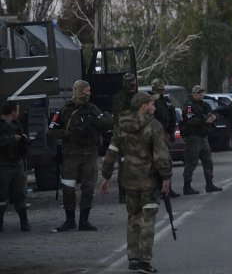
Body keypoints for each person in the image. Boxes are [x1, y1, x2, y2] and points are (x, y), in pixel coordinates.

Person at [100, 92, 171, 274]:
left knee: (133, 218)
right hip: (148, 181)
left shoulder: (121, 126)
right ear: (143, 106)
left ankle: (133, 258)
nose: (154, 107)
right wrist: (166, 177)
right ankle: (145, 262)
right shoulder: (154, 125)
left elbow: (111, 152)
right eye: (151, 104)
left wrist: (106, 176)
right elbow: (161, 155)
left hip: (128, 180)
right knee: (148, 220)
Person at [48, 80, 112, 232]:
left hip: (90, 153)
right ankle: (70, 220)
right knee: (68, 187)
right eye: (86, 91)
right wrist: (68, 134)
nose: (89, 94)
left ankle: (84, 221)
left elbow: (106, 124)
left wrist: (105, 121)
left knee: (88, 187)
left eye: (89, 91)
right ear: (79, 91)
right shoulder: (65, 110)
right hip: (72, 153)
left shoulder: (93, 109)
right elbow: (51, 130)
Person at [181, 85, 222, 195]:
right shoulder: (190, 106)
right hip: (193, 137)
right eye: (198, 93)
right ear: (193, 94)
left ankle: (209, 184)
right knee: (191, 162)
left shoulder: (205, 105)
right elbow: (189, 120)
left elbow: (213, 114)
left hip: (204, 137)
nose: (200, 95)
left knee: (208, 161)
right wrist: (204, 120)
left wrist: (214, 117)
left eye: (201, 93)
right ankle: (187, 186)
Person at [0, 101, 31, 232]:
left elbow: (21, 137)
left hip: (17, 163)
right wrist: (13, 138)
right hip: (3, 164)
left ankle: (24, 222)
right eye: (17, 110)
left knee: (20, 192)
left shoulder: (17, 124)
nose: (18, 113)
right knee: (2, 194)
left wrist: (24, 139)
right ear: (12, 111)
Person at [149, 78, 180, 198]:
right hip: (157, 134)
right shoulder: (151, 101)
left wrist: (171, 132)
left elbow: (171, 115)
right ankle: (159, 188)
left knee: (167, 162)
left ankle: (167, 188)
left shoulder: (165, 100)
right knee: (159, 163)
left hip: (165, 133)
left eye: (162, 89)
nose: (161, 91)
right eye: (159, 89)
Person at [112, 72, 138, 204]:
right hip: (124, 135)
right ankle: (123, 193)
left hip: (136, 134)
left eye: (134, 82)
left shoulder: (135, 96)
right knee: (124, 165)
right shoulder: (120, 98)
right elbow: (119, 118)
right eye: (130, 83)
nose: (132, 85)